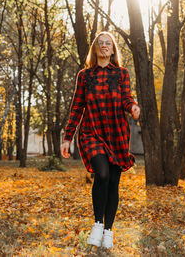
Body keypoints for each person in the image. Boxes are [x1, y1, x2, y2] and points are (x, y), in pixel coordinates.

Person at [61, 31, 140, 249]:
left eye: (108, 44)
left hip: (116, 134)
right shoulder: (84, 76)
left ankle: (108, 231)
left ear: (113, 50)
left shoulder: (122, 74)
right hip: (91, 131)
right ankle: (97, 223)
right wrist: (68, 137)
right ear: (95, 50)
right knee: (102, 174)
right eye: (100, 44)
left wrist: (132, 107)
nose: (104, 46)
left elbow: (126, 99)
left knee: (113, 183)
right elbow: (77, 107)